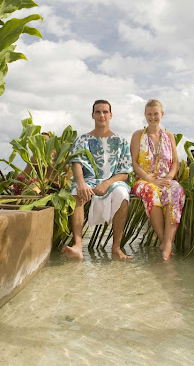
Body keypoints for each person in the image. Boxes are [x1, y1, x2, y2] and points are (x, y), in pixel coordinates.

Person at [63, 100, 133, 260]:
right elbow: (76, 162)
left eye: (105, 112)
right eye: (98, 112)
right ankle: (78, 245)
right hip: (88, 180)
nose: (102, 115)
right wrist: (81, 183)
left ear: (111, 115)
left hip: (113, 182)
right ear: (92, 115)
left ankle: (116, 247)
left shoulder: (121, 141)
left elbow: (125, 172)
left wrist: (107, 183)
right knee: (76, 192)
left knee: (122, 193)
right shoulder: (83, 139)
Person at [130, 100, 185, 261]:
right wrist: (150, 179)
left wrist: (168, 177)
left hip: (165, 179)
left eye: (155, 113)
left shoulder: (169, 136)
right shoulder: (137, 135)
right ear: (145, 115)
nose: (152, 117)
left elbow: (175, 162)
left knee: (176, 191)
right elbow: (134, 163)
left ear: (162, 114)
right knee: (152, 192)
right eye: (149, 114)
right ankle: (163, 241)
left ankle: (167, 244)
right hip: (144, 180)